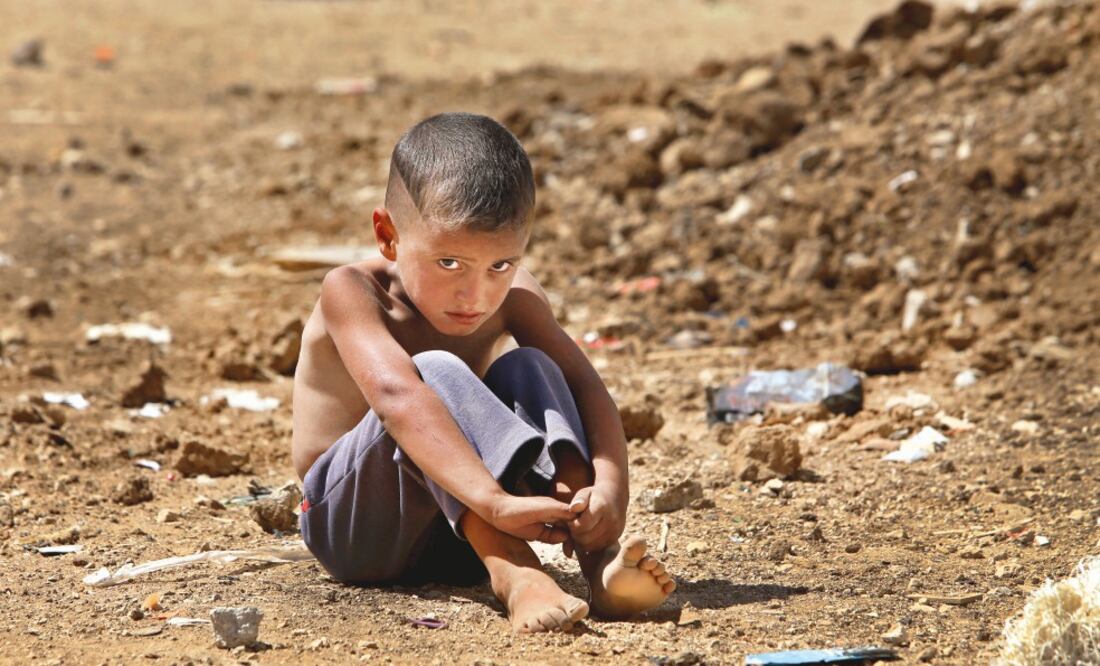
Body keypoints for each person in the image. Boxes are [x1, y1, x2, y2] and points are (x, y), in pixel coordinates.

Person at [291, 112, 674, 633]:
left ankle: (600, 563)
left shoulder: (516, 298)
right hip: (357, 531)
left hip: (461, 535)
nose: (475, 295)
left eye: (500, 265)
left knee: (532, 365)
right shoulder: (354, 293)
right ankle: (515, 574)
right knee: (431, 371)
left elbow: (585, 387)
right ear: (388, 236)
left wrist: (609, 489)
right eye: (449, 263)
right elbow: (395, 396)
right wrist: (494, 503)